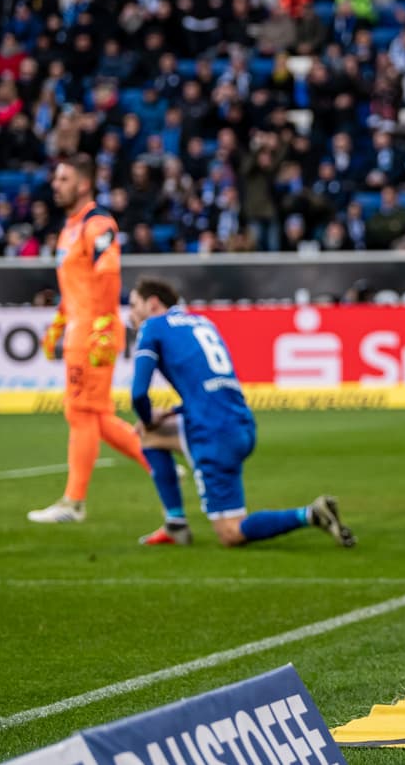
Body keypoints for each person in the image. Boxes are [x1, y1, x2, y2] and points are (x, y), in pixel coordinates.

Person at [128, 276, 355, 548]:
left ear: (153, 304)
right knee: (151, 436)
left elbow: (138, 394)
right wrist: (168, 414)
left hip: (211, 433)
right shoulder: (202, 322)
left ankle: (311, 514)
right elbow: (211, 386)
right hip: (239, 422)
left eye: (134, 305)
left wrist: (147, 418)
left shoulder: (152, 326)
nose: (131, 314)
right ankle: (175, 525)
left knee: (231, 533)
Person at [29, 154, 151, 523]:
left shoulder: (97, 224)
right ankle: (160, 463)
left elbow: (108, 273)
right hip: (79, 330)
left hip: (93, 334)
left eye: (63, 179)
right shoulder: (70, 228)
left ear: (83, 184)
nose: (55, 185)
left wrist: (101, 326)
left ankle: (74, 503)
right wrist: (59, 323)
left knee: (81, 412)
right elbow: (75, 287)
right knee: (94, 415)